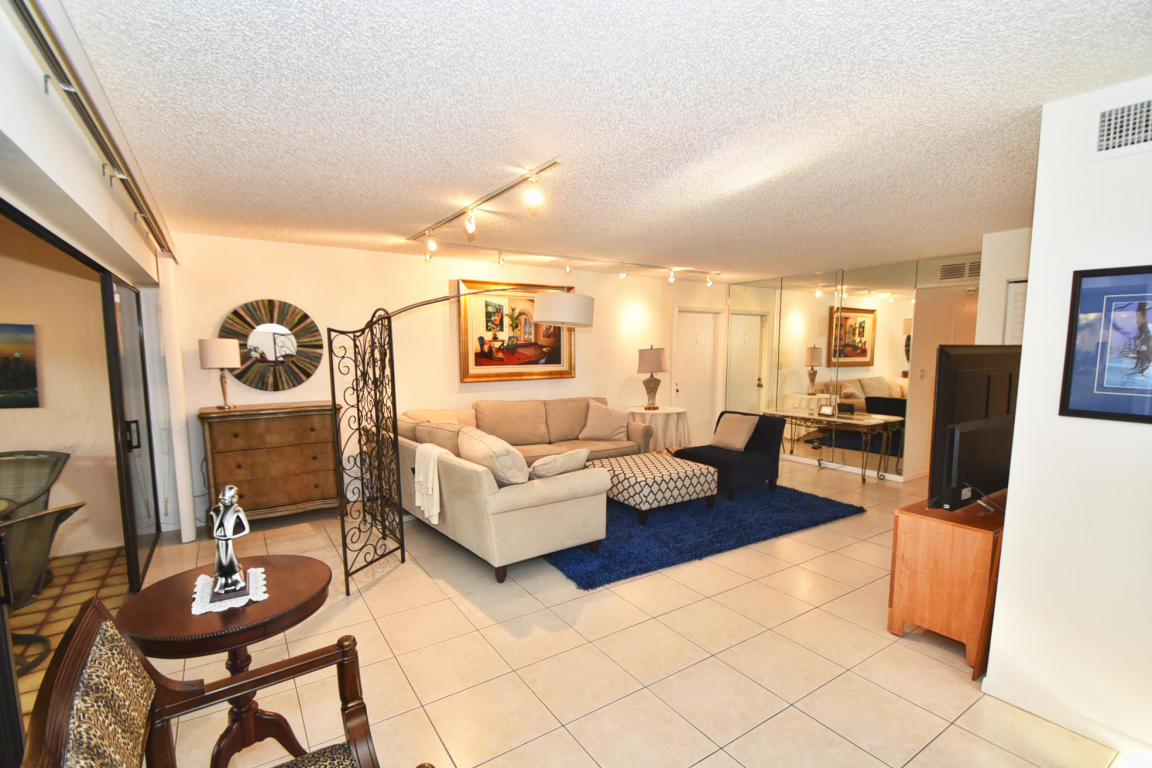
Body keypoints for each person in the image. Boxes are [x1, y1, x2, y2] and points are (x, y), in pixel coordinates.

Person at [210, 485, 250, 594]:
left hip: (227, 540)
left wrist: (231, 537)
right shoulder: (216, 510)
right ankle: (223, 580)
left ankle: (235, 578)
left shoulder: (236, 509)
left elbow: (246, 529)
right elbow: (214, 525)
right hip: (220, 541)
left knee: (229, 557)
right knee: (221, 558)